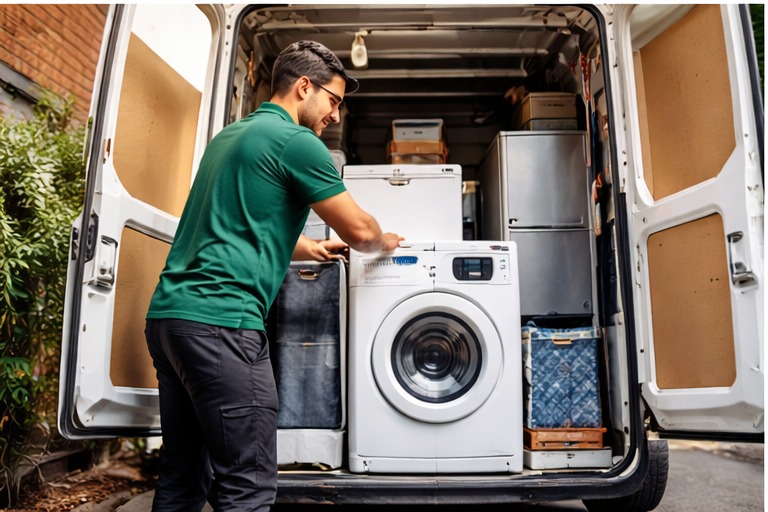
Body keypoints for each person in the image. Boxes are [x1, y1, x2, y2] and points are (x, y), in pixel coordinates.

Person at [144, 40, 403, 512]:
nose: (336, 116)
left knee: (183, 477)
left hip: (171, 321)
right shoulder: (297, 142)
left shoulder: (231, 136)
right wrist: (382, 241)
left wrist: (308, 246)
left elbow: (234, 222)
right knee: (248, 483)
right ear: (305, 87)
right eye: (334, 101)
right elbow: (361, 230)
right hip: (223, 325)